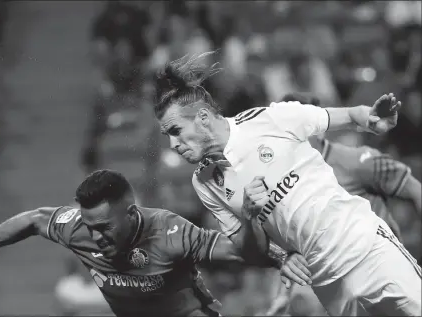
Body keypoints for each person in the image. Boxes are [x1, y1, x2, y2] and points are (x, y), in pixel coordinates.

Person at [153, 52, 421, 316]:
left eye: (176, 131)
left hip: (367, 248)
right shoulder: (204, 181)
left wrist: (370, 117)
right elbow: (252, 253)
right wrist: (252, 219)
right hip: (326, 282)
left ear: (202, 117)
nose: (173, 145)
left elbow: (348, 116)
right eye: (167, 135)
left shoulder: (270, 119)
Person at [0, 169, 308, 317]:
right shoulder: (78, 228)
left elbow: (239, 250)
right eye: (89, 226)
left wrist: (279, 256)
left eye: (105, 227)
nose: (96, 236)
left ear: (131, 213)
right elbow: (34, 219)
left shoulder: (170, 232)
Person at [263, 92, 422, 316]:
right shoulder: (289, 185)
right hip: (341, 281)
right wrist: (283, 296)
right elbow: (298, 249)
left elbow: (415, 189)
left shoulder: (355, 162)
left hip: (381, 265)